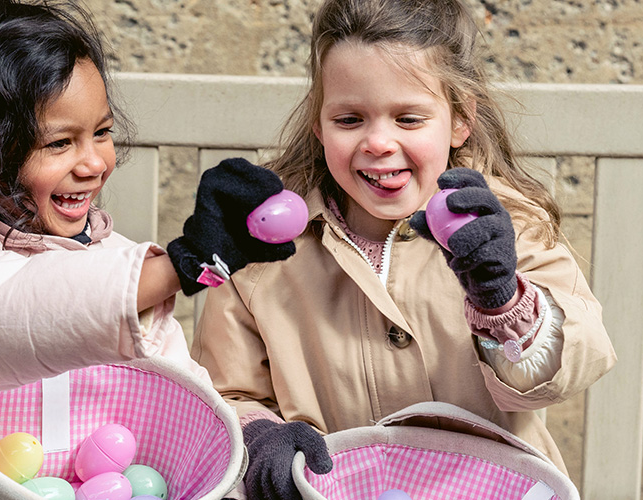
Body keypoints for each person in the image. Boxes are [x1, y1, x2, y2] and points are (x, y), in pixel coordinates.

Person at [0, 1, 294, 498]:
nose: (93, 163)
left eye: (102, 133)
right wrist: (181, 265)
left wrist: (257, 444)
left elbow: (182, 395)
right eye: (59, 143)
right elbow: (17, 308)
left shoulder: (109, 256)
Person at [191, 0, 618, 498]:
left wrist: (503, 300)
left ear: (460, 119)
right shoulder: (261, 249)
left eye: (409, 119)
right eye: (349, 119)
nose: (378, 142)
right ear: (318, 122)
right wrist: (260, 438)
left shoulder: (507, 227)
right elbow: (226, 393)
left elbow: (571, 364)